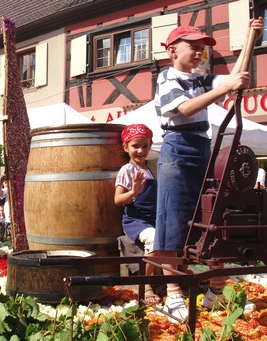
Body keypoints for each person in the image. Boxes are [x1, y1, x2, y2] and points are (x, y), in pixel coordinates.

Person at [154, 17, 264, 322]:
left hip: (203, 147)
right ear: (173, 50)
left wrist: (250, 36)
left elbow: (235, 77)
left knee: (212, 216)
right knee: (173, 220)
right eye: (194, 46)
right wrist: (226, 87)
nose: (200, 52)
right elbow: (185, 109)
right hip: (177, 149)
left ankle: (215, 290)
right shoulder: (167, 78)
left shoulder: (202, 78)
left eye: (204, 48)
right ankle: (173, 292)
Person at [114, 124, 159, 304]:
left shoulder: (148, 170)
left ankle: (174, 278)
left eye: (145, 146)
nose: (141, 150)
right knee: (155, 238)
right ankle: (146, 283)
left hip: (152, 218)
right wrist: (133, 192)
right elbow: (117, 200)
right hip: (136, 220)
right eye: (135, 146)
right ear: (126, 147)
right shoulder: (127, 170)